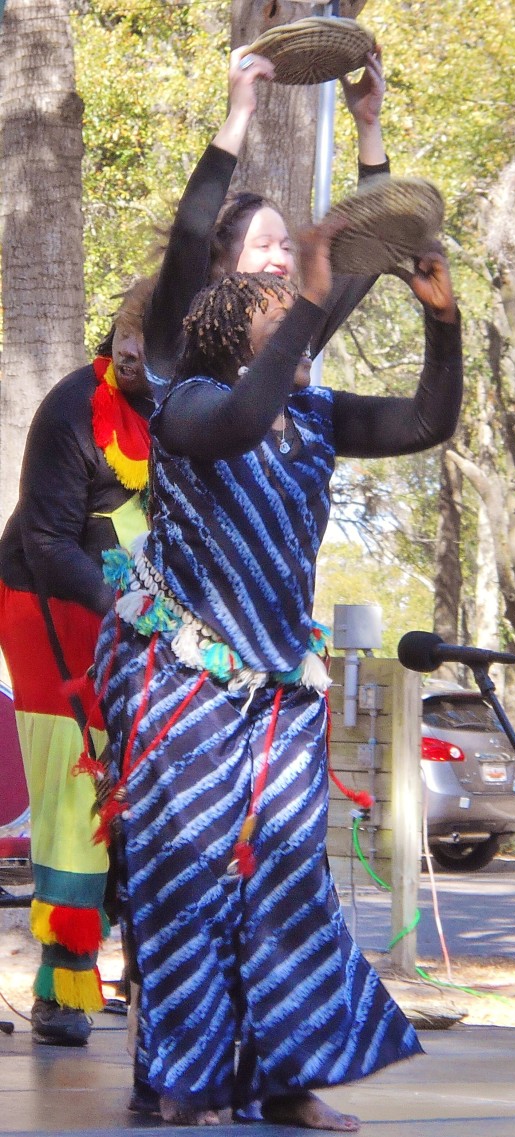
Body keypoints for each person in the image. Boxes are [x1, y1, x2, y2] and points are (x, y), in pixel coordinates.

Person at [94, 203, 461, 1127]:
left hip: (277, 697)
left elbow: (427, 419)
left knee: (288, 884)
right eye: (283, 323)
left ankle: (284, 1079)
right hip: (185, 691)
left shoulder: (314, 414)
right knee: (186, 880)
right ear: (235, 338)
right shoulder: (190, 408)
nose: (305, 339)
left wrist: (441, 319)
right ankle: (185, 1082)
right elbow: (246, 414)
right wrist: (309, 293)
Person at [0, 279, 155, 1045]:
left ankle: (152, 971)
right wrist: (124, 610)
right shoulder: (73, 407)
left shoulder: (197, 411)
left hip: (137, 612)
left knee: (147, 783)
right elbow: (48, 543)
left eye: (146, 337)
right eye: (124, 330)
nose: (130, 346)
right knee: (76, 784)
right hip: (47, 602)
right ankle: (64, 978)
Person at [142, 43, 391, 398]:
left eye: (286, 247)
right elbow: (192, 228)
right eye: (263, 245)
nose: (281, 258)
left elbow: (375, 241)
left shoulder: (292, 334)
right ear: (218, 264)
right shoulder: (179, 331)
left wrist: (368, 123)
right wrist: (240, 112)